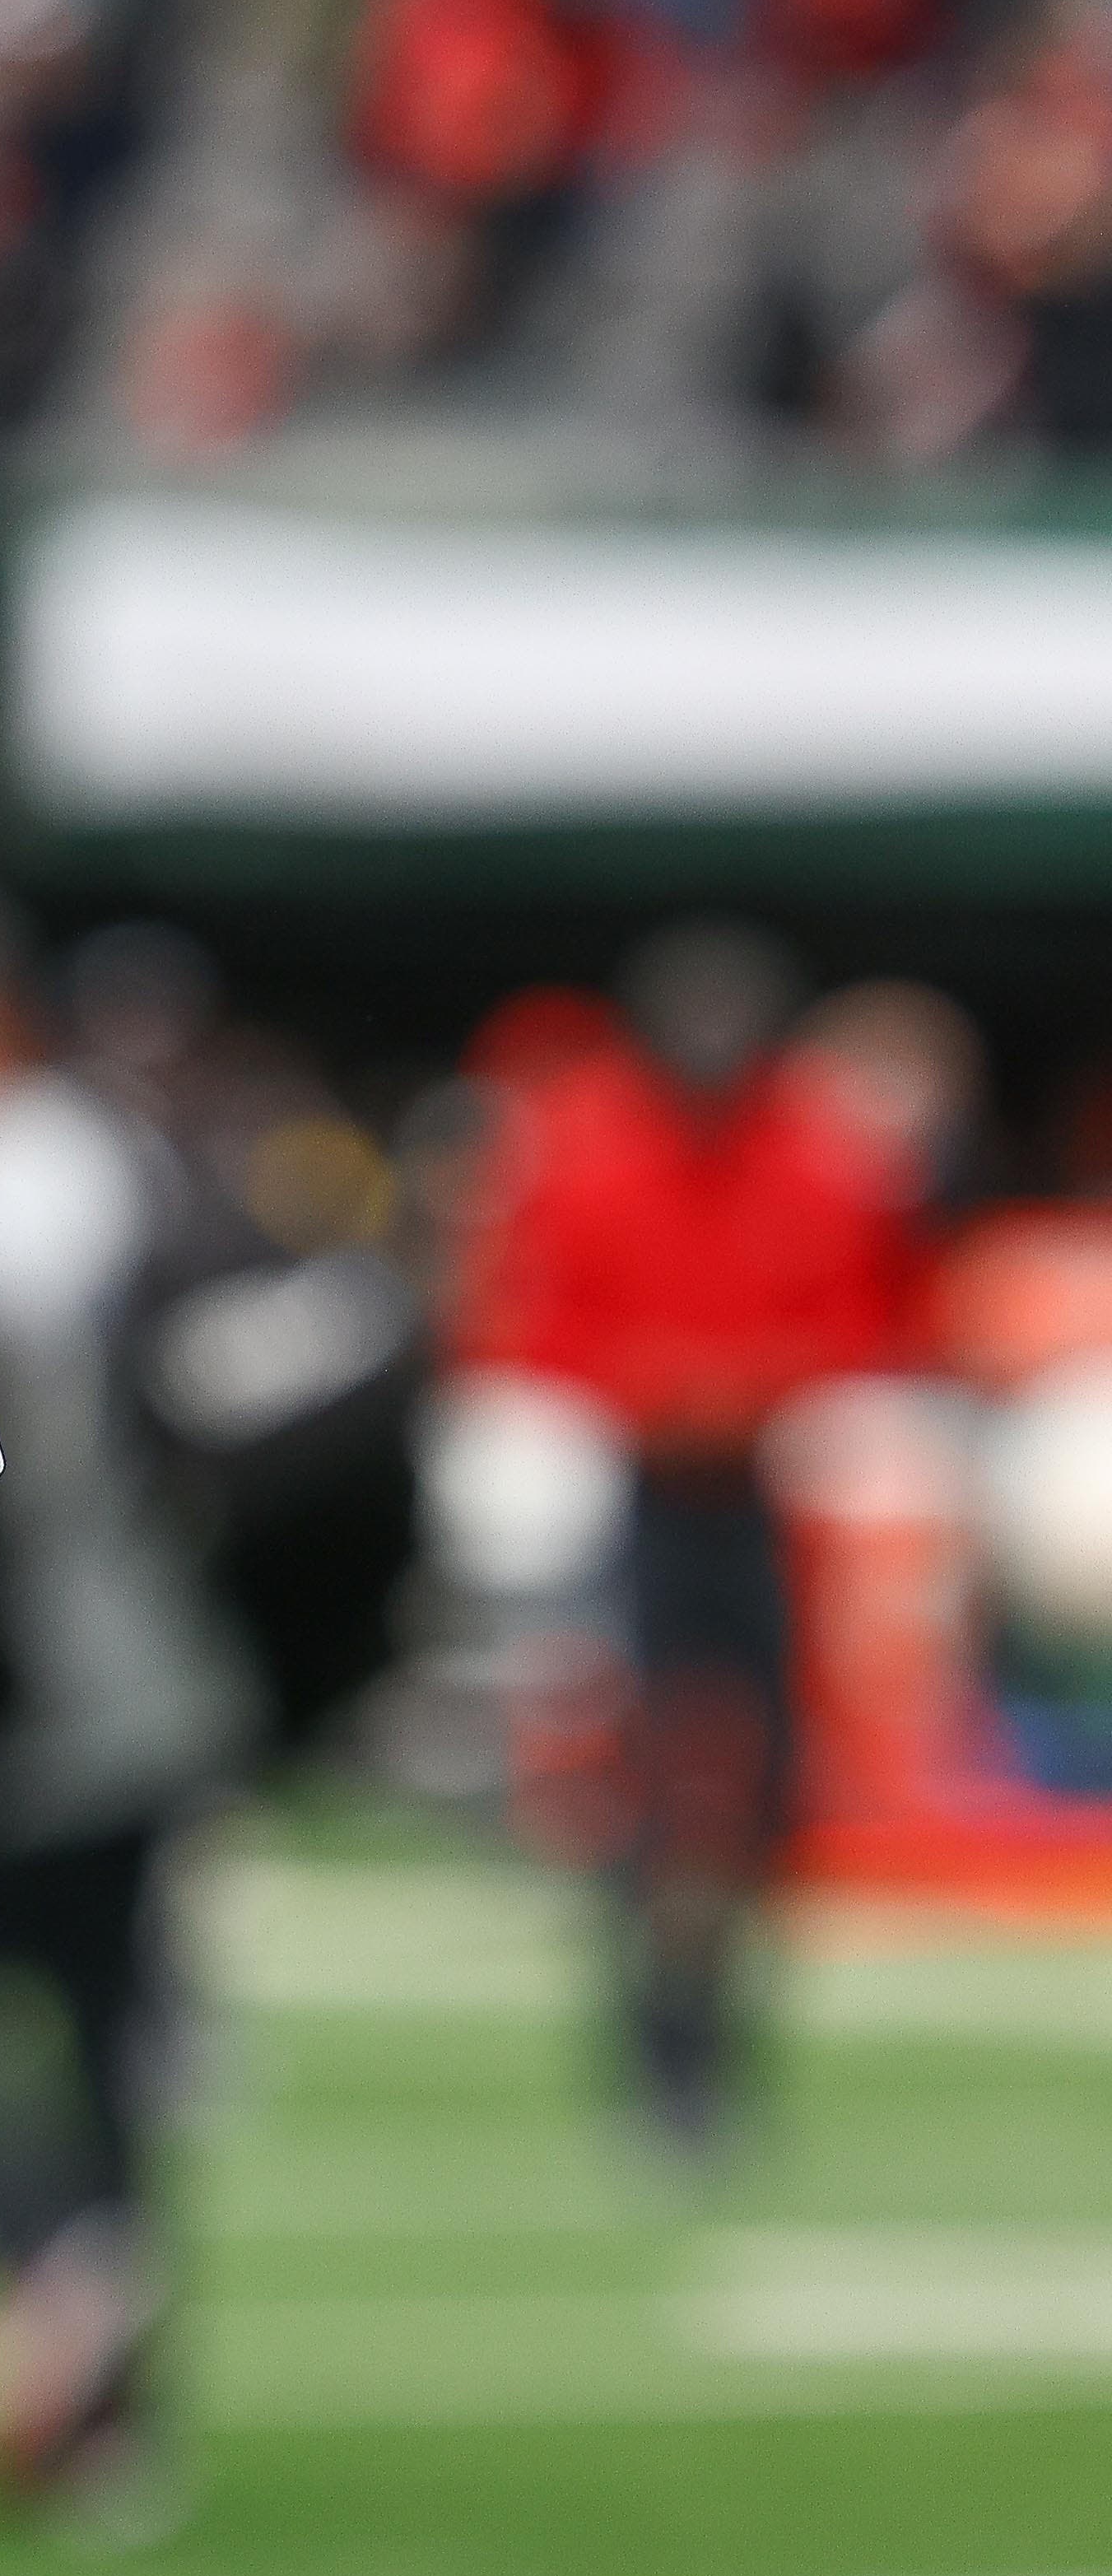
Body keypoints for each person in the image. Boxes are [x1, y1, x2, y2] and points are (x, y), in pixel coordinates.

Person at [0, 920, 259, 2532]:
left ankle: (52, 2270)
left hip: (41, 1673)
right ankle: (112, 2416)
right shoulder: (103, 1157)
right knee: (98, 2025)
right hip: (156, 1657)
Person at [446, 920, 927, 2158]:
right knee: (639, 1780)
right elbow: (527, 1316)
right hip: (629, 1493)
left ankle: (722, 2043)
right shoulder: (583, 1139)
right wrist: (659, 1391)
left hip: (760, 1495)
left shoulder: (818, 1148)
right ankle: (655, 2052)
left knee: (765, 1782)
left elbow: (863, 1319)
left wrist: (741, 1388)